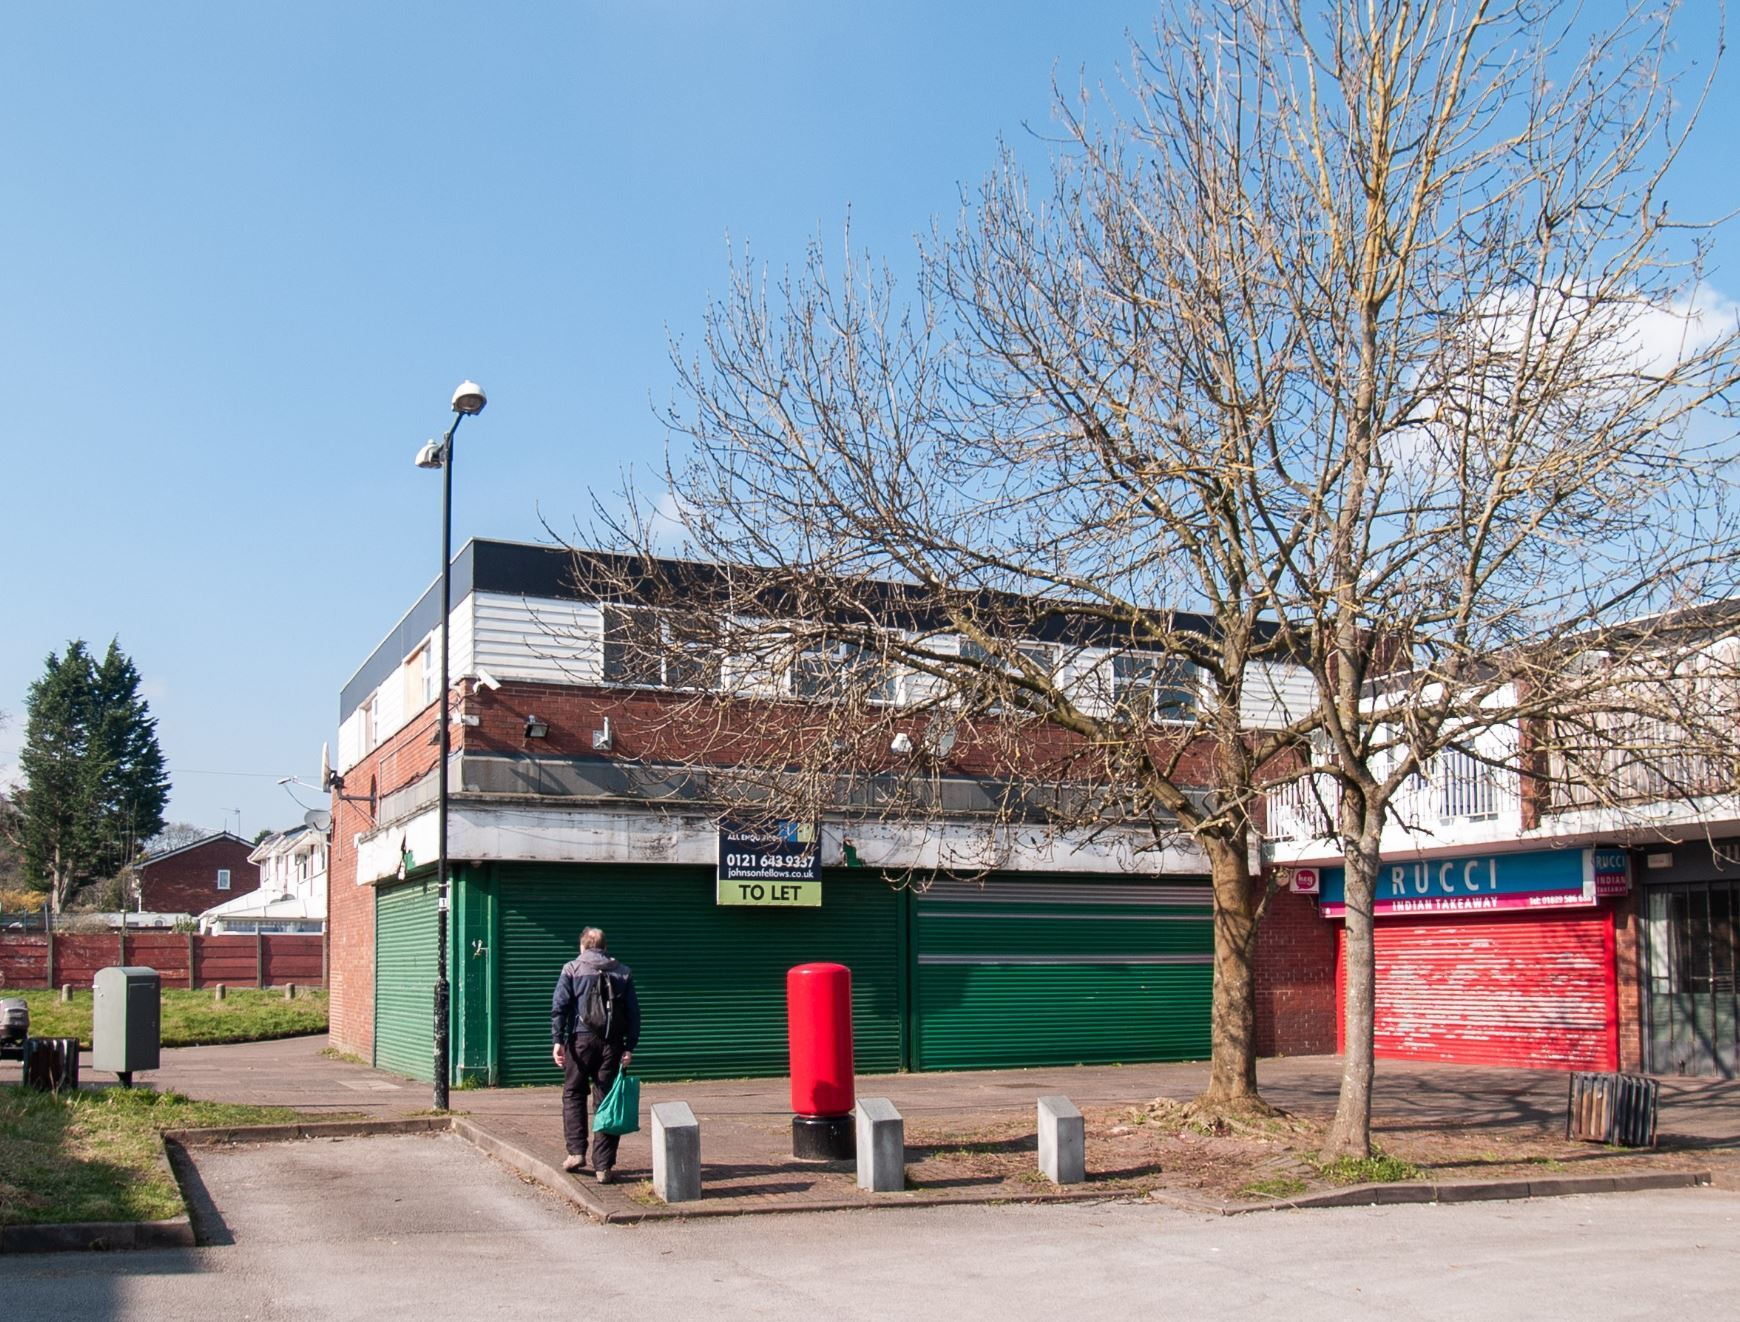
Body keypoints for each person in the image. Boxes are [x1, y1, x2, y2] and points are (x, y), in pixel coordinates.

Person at [550, 926, 641, 1183]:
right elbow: (634, 1014)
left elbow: (560, 1006)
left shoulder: (572, 969)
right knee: (607, 1100)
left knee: (574, 1093)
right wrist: (629, 1046)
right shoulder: (623, 972)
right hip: (611, 1044)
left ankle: (576, 1152)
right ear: (604, 947)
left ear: (583, 947)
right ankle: (604, 1166)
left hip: (580, 1040)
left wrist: (558, 1040)